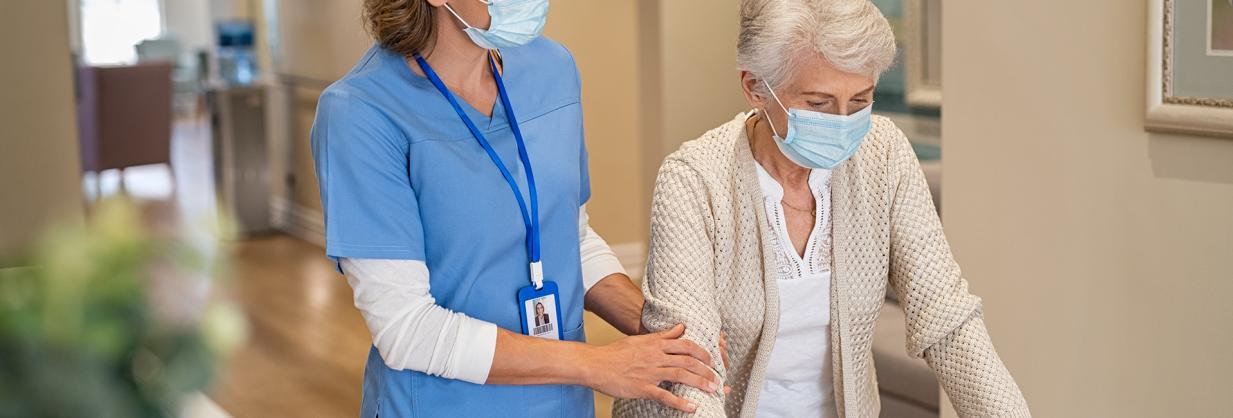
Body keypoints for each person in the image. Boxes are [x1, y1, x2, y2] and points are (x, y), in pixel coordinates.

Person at [613, 0, 1031, 417]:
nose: (844, 122)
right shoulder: (694, 180)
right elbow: (690, 367)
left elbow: (947, 318)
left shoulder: (883, 154)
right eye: (819, 103)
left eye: (861, 100)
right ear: (755, 86)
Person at [310, 0, 719, 416]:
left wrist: (657, 330)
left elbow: (569, 237)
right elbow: (407, 329)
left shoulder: (552, 69)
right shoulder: (359, 113)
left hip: (562, 400)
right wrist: (600, 365)